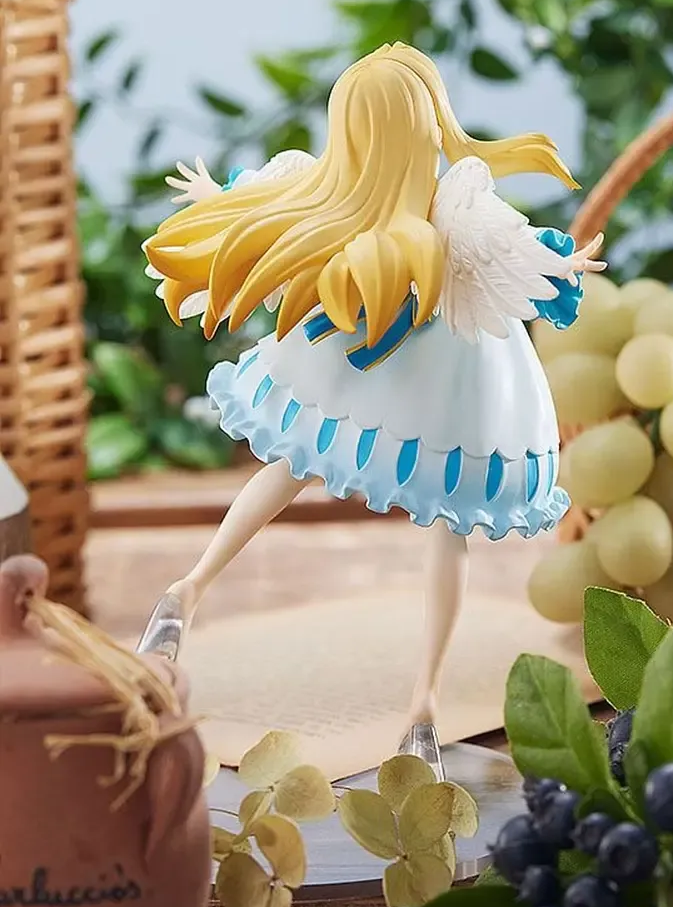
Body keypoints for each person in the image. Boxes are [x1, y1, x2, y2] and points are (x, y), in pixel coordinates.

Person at [142, 42, 604, 756]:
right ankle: (423, 706)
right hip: (446, 381)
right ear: (428, 121)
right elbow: (516, 257)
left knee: (291, 465)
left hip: (354, 349)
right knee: (448, 530)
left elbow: (255, 198)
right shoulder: (456, 200)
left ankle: (187, 588)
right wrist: (560, 264)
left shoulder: (323, 192)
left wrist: (216, 195)